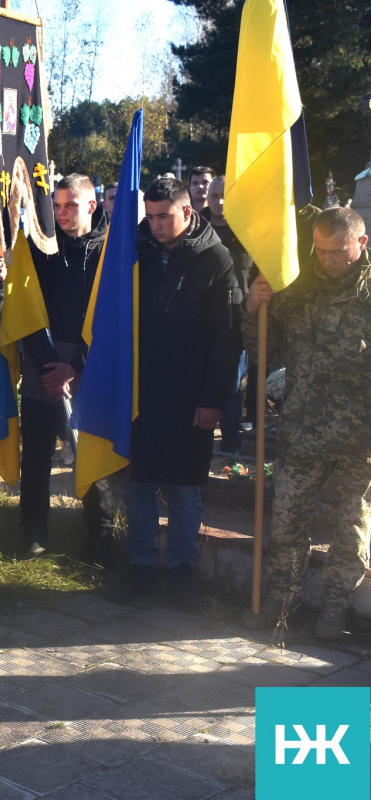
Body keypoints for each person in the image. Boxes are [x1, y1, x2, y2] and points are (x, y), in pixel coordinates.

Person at [241, 207, 371, 639]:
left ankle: (333, 610)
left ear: (361, 243)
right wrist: (252, 308)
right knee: (288, 522)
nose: (327, 260)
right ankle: (280, 602)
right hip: (302, 431)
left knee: (351, 530)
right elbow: (264, 352)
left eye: (337, 252)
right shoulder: (298, 289)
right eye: (320, 251)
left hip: (361, 442)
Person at [117, 176, 241, 607]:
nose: (155, 225)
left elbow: (227, 338)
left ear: (188, 212)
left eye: (164, 216)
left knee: (186, 488)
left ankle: (183, 570)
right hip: (143, 395)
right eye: (149, 217)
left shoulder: (216, 259)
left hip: (191, 397)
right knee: (141, 483)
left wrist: (212, 400)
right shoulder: (136, 252)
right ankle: (141, 568)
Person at [18, 175, 114, 563]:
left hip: (92, 362)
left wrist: (75, 366)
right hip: (44, 361)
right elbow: (25, 305)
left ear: (91, 205)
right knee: (38, 451)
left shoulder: (114, 251)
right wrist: (47, 364)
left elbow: (113, 315)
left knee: (92, 449)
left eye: (69, 206)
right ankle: (34, 529)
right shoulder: (39, 248)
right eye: (56, 206)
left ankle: (101, 532)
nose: (60, 213)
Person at [205, 176, 254, 457]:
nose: (219, 201)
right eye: (214, 195)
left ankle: (231, 444)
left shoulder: (246, 230)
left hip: (236, 315)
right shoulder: (194, 226)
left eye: (225, 195)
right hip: (201, 314)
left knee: (232, 384)